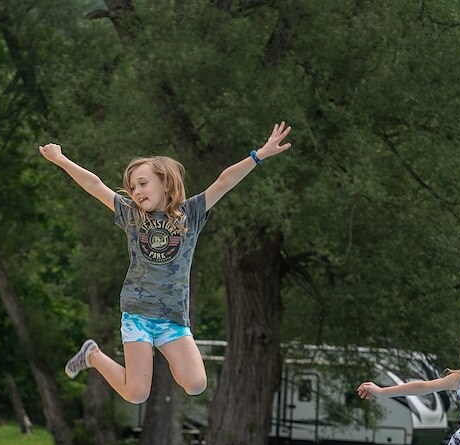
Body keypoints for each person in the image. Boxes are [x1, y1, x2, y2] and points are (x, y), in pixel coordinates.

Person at [38, 123, 292, 403]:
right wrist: (61, 160)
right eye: (132, 187)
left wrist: (259, 155)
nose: (136, 191)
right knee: (136, 394)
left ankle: (163, 353)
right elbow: (95, 185)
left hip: (173, 318)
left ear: (166, 183)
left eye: (143, 183)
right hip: (138, 312)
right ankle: (93, 355)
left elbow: (224, 181)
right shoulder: (132, 215)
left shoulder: (191, 213)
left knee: (196, 384)